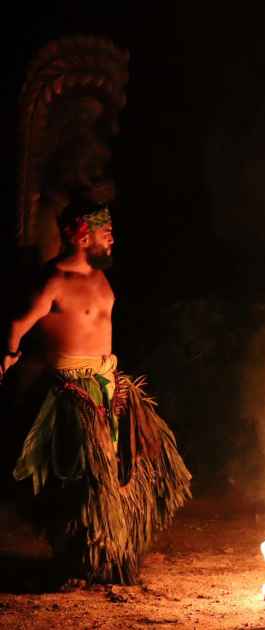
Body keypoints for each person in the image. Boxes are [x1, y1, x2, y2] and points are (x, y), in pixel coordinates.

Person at [1, 200, 191, 585]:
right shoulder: (53, 279)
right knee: (85, 481)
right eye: (106, 231)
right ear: (83, 233)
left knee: (133, 469)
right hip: (73, 390)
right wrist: (8, 357)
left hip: (110, 385)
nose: (112, 237)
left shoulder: (102, 277)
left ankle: (113, 555)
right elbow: (18, 324)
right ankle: (81, 560)